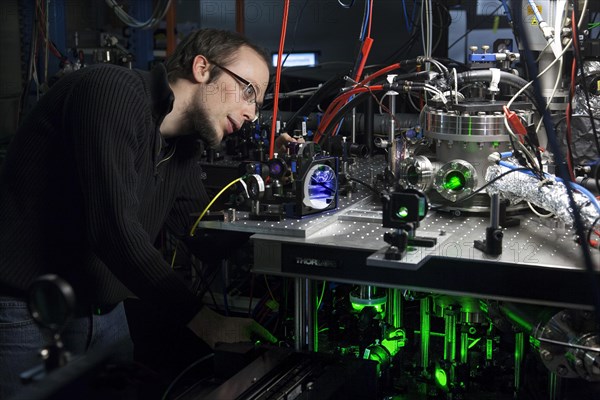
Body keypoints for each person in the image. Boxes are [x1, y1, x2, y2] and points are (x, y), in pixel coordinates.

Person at [0, 28, 291, 398]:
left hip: (105, 314)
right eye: (248, 90)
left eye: (258, 103)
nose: (252, 113)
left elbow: (200, 232)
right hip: (29, 313)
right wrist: (201, 319)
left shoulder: (183, 147)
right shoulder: (111, 90)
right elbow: (113, 229)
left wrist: (285, 240)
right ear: (202, 68)